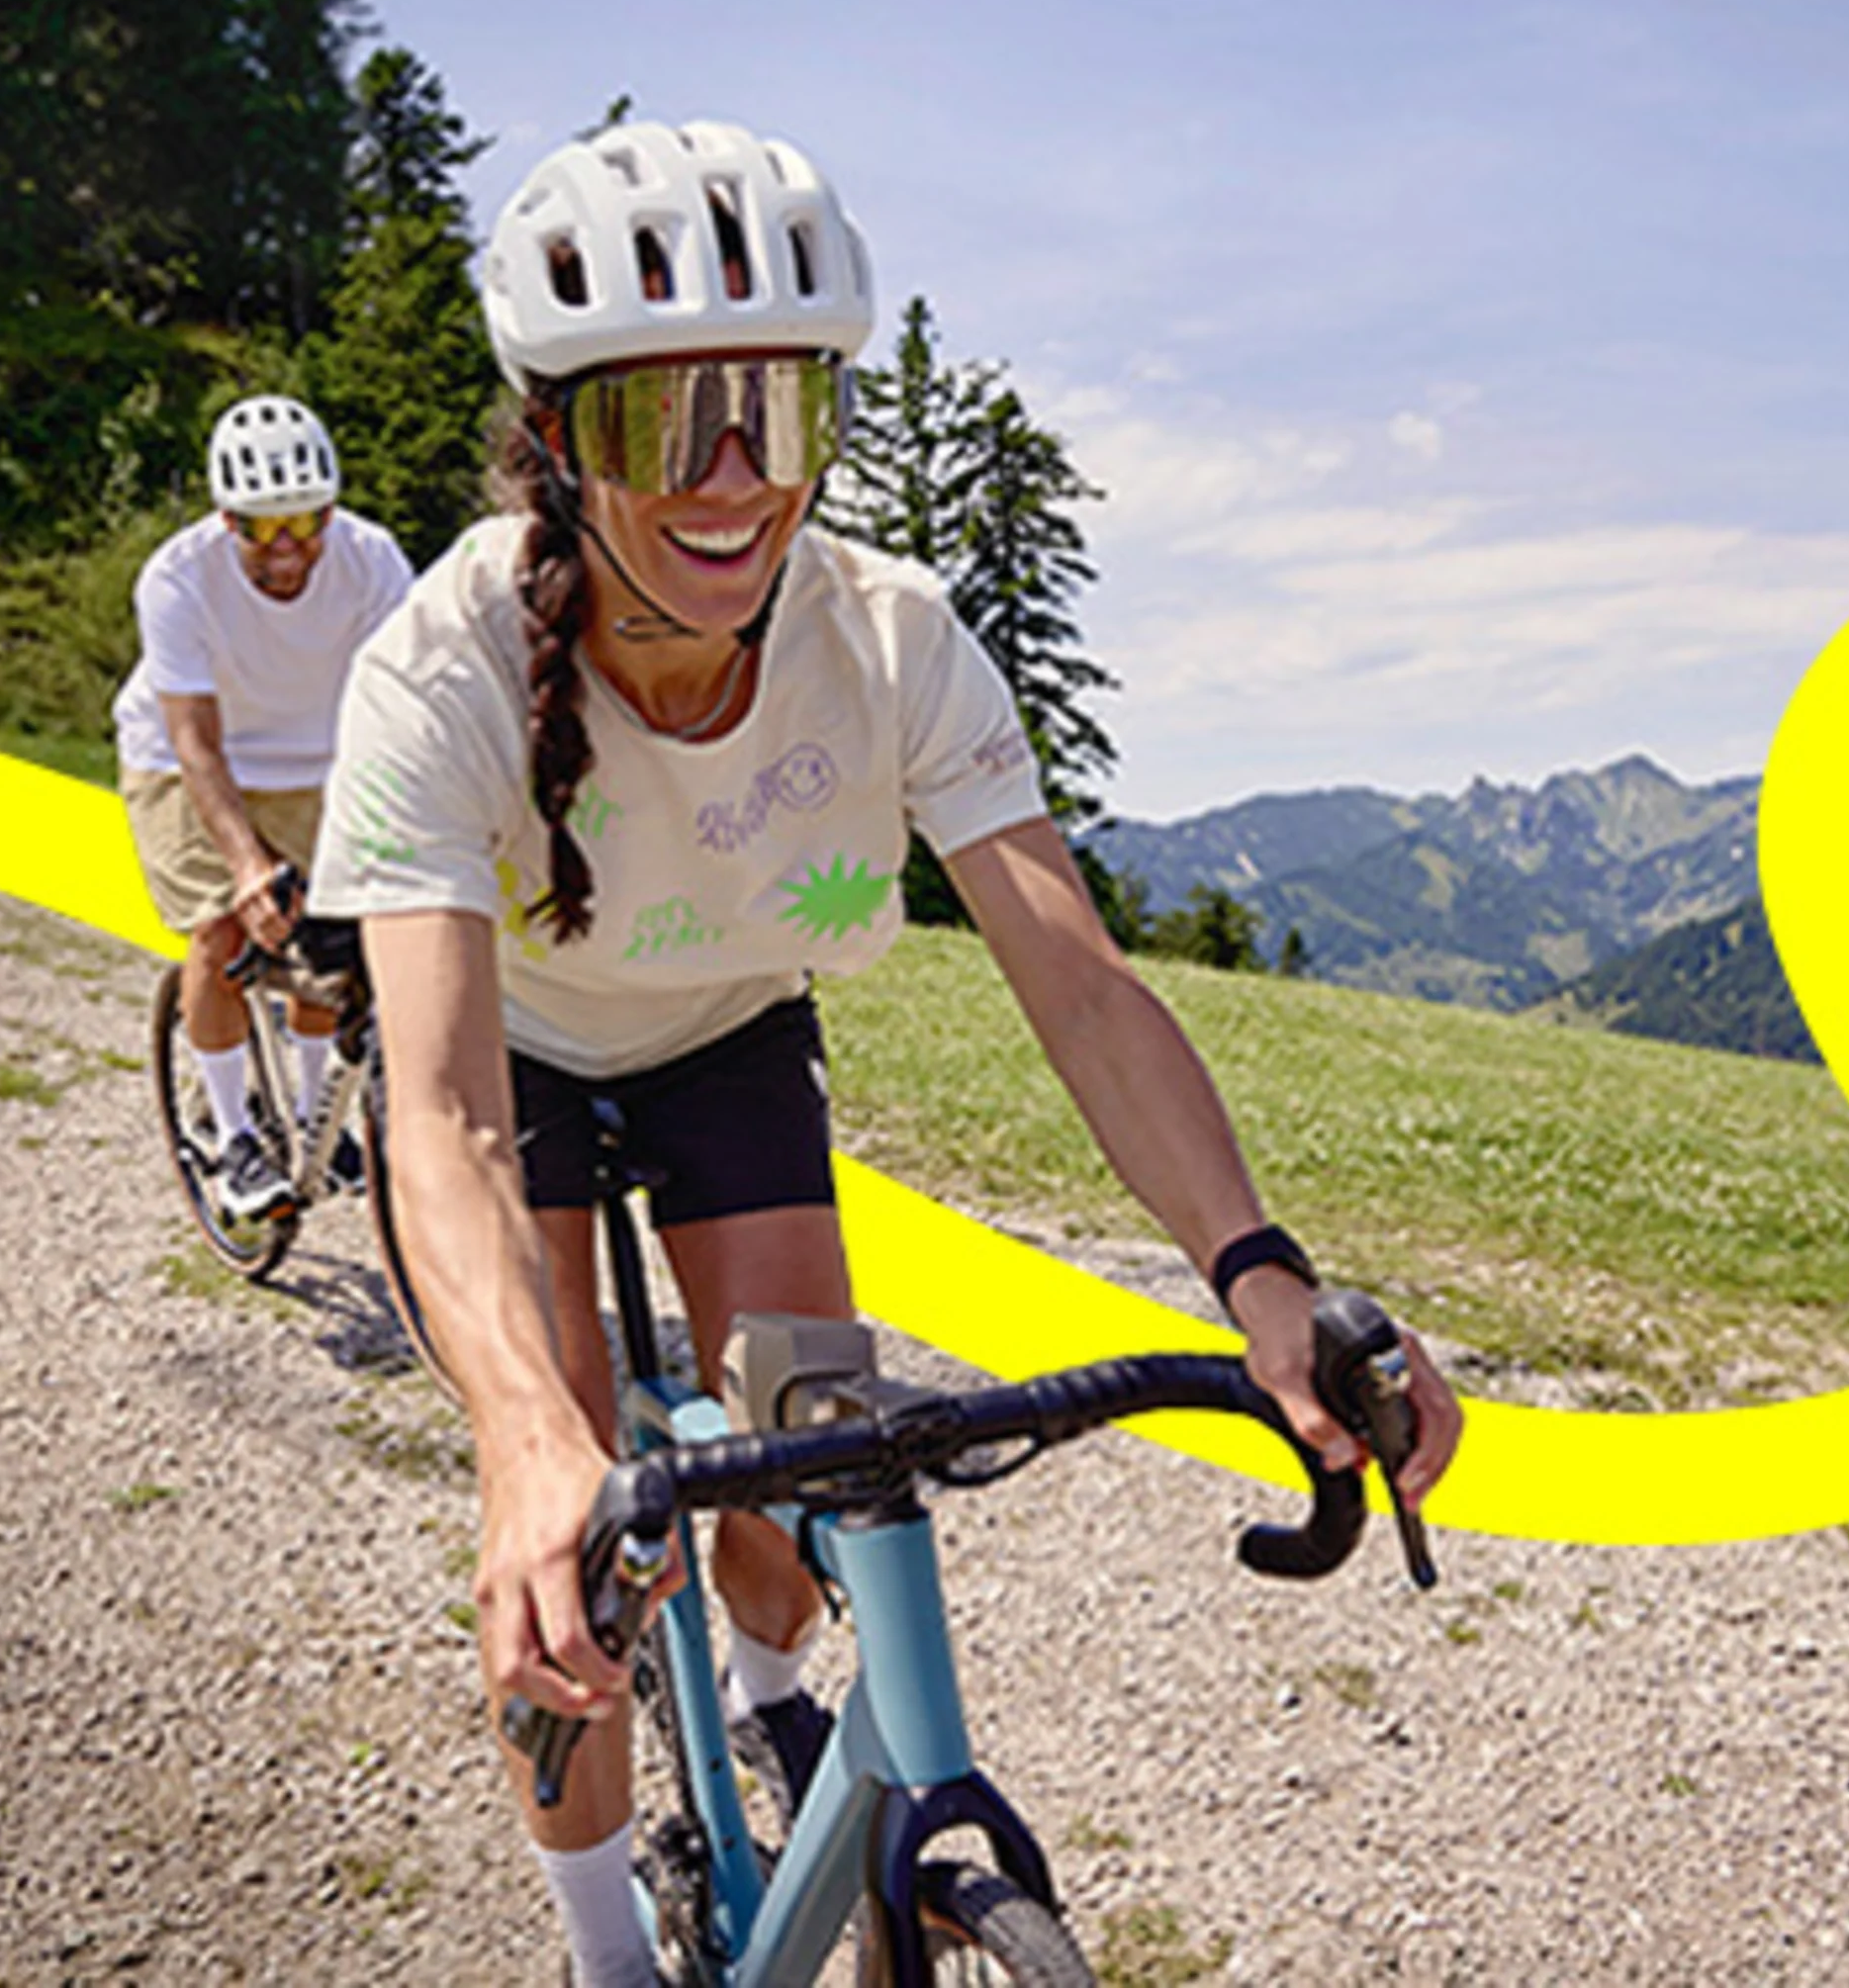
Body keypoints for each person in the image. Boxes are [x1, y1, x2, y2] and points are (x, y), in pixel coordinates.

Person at [310, 118, 1464, 1988]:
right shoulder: (436, 669)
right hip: (506, 1072)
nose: (731, 479)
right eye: (656, 425)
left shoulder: (895, 636)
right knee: (579, 1548)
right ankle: (609, 1952)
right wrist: (527, 1444)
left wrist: (1259, 1275)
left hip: (730, 1036)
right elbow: (433, 1108)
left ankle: (778, 1717)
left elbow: (1082, 986)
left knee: (803, 1477)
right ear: (555, 447)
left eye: (773, 407)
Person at [113, 396, 415, 1218]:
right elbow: (196, 742)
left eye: (306, 523)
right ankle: (236, 1136)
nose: (287, 551)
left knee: (324, 936)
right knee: (223, 928)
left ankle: (319, 1119)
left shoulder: (372, 561)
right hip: (187, 761)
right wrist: (246, 864)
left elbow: (410, 695)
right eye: (260, 529)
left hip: (317, 757)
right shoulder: (178, 578)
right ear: (225, 517)